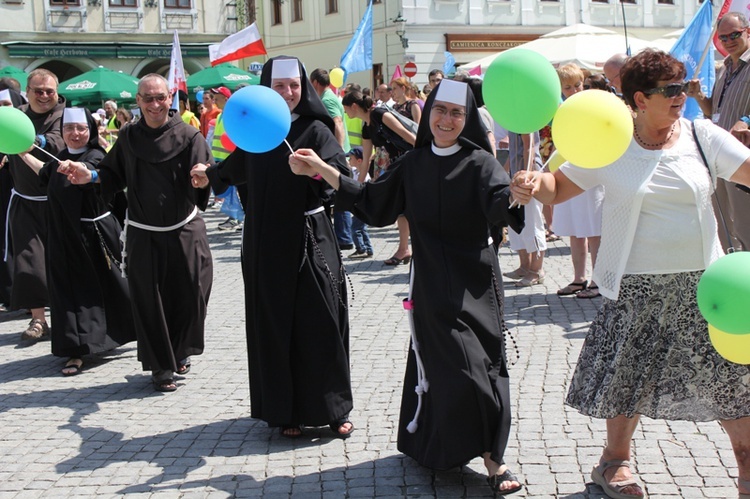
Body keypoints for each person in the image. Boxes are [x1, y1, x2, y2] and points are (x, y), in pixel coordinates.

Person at [511, 49, 750, 499]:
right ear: (640, 99)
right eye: (670, 90)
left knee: (732, 382)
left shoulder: (702, 136)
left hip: (705, 287)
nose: (682, 96)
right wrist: (531, 183)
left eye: (682, 86)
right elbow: (558, 187)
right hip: (635, 283)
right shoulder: (612, 141)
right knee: (627, 378)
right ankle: (613, 462)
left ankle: (747, 472)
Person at [287, 78, 525, 496]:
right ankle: (466, 453)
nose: (447, 119)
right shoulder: (412, 165)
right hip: (431, 283)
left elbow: (500, 205)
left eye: (456, 113)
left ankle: (487, 451)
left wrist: (520, 195)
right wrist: (323, 169)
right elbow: (373, 202)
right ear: (428, 111)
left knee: (480, 370)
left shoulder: (481, 163)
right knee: (442, 366)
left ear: (466, 119)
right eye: (440, 110)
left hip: (475, 284)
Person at [191, 56, 354, 439]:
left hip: (311, 234)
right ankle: (286, 412)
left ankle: (333, 408)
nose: (288, 93)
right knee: (276, 325)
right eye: (280, 86)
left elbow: (341, 177)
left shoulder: (317, 129)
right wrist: (208, 175)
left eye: (294, 85)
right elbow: (234, 167)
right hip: (266, 239)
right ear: (267, 88)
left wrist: (313, 169)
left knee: (322, 321)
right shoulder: (258, 129)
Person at [59, 74, 213, 393]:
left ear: (170, 97)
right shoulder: (128, 136)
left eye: (160, 98)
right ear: (138, 101)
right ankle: (161, 367)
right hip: (144, 231)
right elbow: (111, 173)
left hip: (184, 228)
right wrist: (88, 175)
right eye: (148, 99)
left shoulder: (189, 135)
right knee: (149, 300)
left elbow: (203, 173)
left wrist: (203, 180)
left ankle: (180, 349)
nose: (155, 105)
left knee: (192, 292)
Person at [18, 108, 136, 375]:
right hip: (64, 237)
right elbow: (46, 172)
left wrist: (80, 169)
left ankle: (128, 331)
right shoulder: (59, 157)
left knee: (110, 289)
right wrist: (22, 153)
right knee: (70, 294)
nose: (75, 133)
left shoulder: (96, 156)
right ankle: (75, 349)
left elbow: (91, 173)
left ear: (90, 131)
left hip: (94, 236)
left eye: (81, 128)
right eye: (69, 128)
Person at [7, 68, 65, 341]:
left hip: (60, 201)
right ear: (27, 92)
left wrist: (35, 141)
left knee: (64, 261)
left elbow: (56, 140)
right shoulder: (16, 116)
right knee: (29, 262)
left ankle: (69, 316)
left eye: (49, 91)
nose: (44, 96)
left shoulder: (67, 114)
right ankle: (39, 320)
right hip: (26, 202)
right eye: (38, 91)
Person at [690, 11, 750, 252]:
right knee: (724, 225)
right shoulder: (724, 67)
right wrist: (699, 96)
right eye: (723, 37)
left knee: (745, 225)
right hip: (718, 155)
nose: (728, 41)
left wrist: (746, 120)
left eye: (734, 34)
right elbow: (714, 110)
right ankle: (731, 273)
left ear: (748, 31)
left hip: (742, 157)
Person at [341, 90, 416, 265]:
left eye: (346, 109)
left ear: (354, 106)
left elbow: (409, 136)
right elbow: (366, 159)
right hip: (396, 167)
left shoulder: (380, 114)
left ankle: (415, 248)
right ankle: (404, 249)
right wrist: (358, 188)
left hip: (410, 162)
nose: (345, 113)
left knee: (409, 207)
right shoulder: (367, 127)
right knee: (401, 208)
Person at [552, 64, 603, 299]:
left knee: (593, 230)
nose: (574, 90)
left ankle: (598, 279)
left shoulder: (593, 105)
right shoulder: (560, 110)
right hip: (568, 170)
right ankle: (578, 278)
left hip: (591, 172)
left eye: (577, 85)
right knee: (575, 230)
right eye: (568, 87)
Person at [309, 68, 354, 250]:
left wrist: (338, 152)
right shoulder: (327, 97)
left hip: (335, 155)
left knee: (338, 193)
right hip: (335, 153)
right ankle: (342, 236)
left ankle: (343, 237)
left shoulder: (327, 99)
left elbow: (337, 123)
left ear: (315, 83)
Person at [345, 147, 373, 258]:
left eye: (350, 158)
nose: (349, 160)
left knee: (355, 228)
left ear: (359, 161)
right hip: (361, 207)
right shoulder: (356, 171)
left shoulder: (364, 176)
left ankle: (361, 249)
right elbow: (346, 165)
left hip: (363, 207)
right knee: (361, 228)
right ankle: (368, 249)